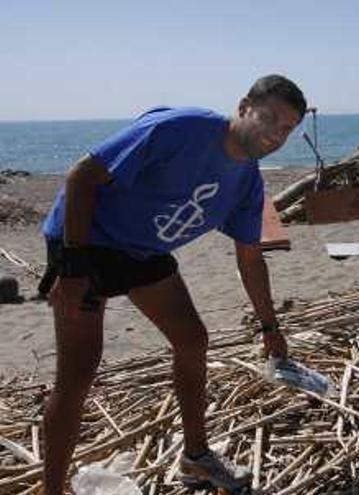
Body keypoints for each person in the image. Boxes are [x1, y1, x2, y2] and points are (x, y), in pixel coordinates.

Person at [39, 74, 305, 494]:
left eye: (287, 128)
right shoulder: (181, 129)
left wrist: (271, 328)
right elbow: (81, 177)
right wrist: (73, 269)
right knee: (78, 372)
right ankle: (52, 489)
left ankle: (195, 457)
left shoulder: (248, 182)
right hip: (86, 239)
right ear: (243, 106)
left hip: (142, 250)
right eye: (270, 117)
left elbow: (251, 258)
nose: (276, 133)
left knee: (192, 339)